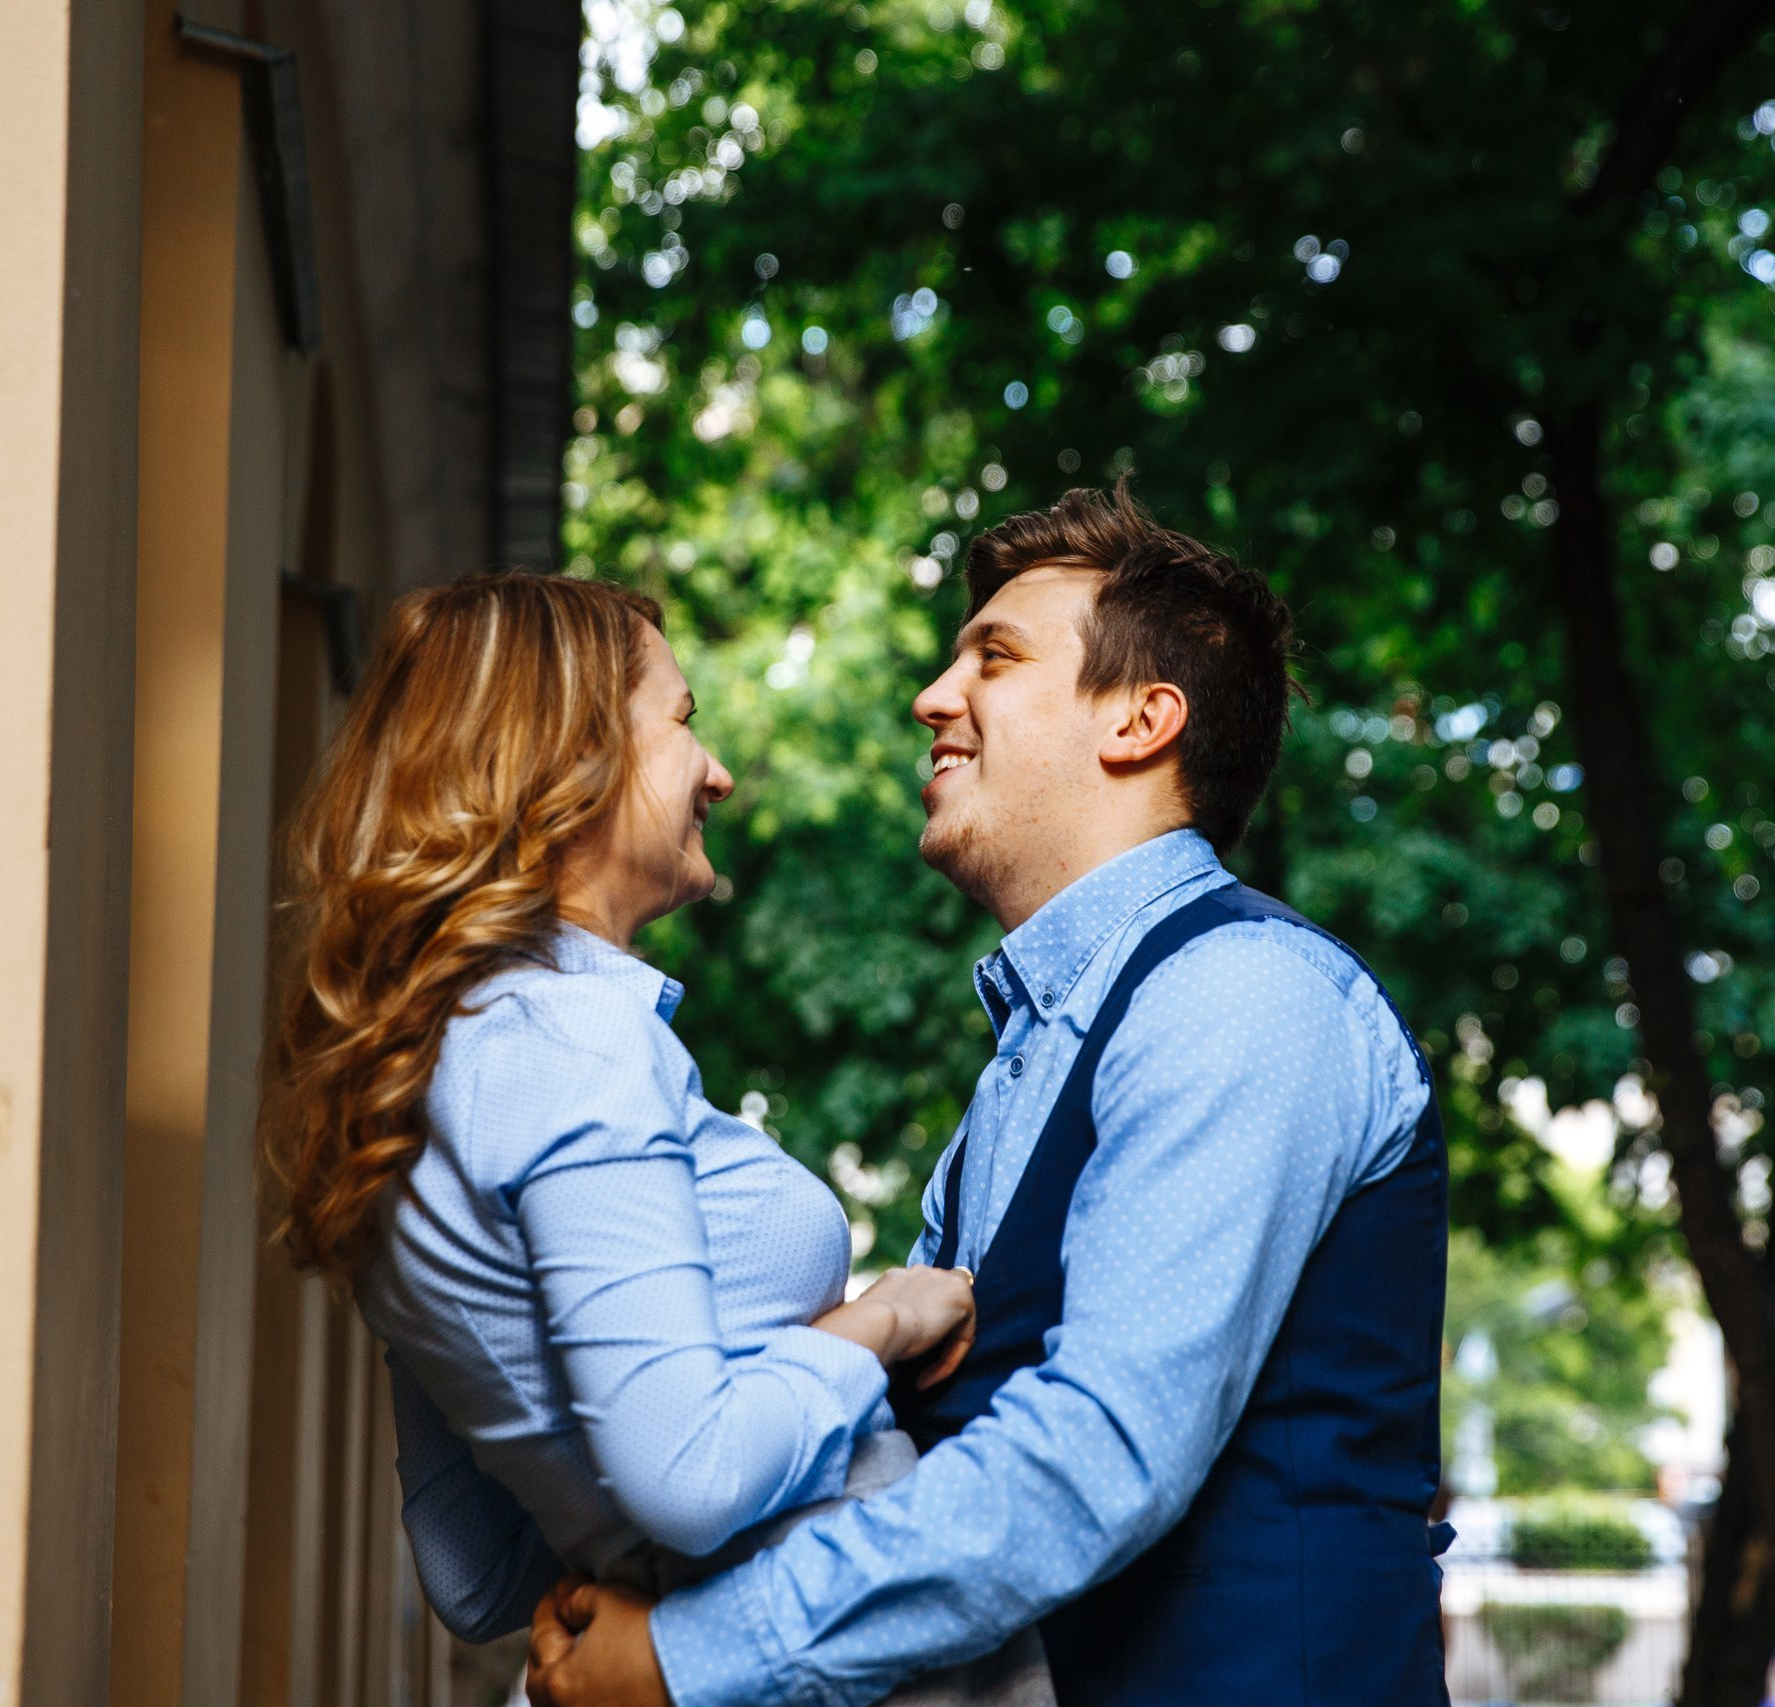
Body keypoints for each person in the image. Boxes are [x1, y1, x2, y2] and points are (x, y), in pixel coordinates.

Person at [525, 485, 1452, 1707]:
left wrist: (692, 1658)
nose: (931, 696)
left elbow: (1101, 1454)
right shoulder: (1038, 1053)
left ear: (1139, 719)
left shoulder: (1242, 997)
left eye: (994, 659)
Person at [258, 573, 1013, 1697]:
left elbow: (474, 1574)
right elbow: (693, 1473)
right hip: (795, 1655)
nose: (717, 772)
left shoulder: (421, 1069)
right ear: (567, 758)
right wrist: (885, 1320)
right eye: (681, 721)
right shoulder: (571, 1047)